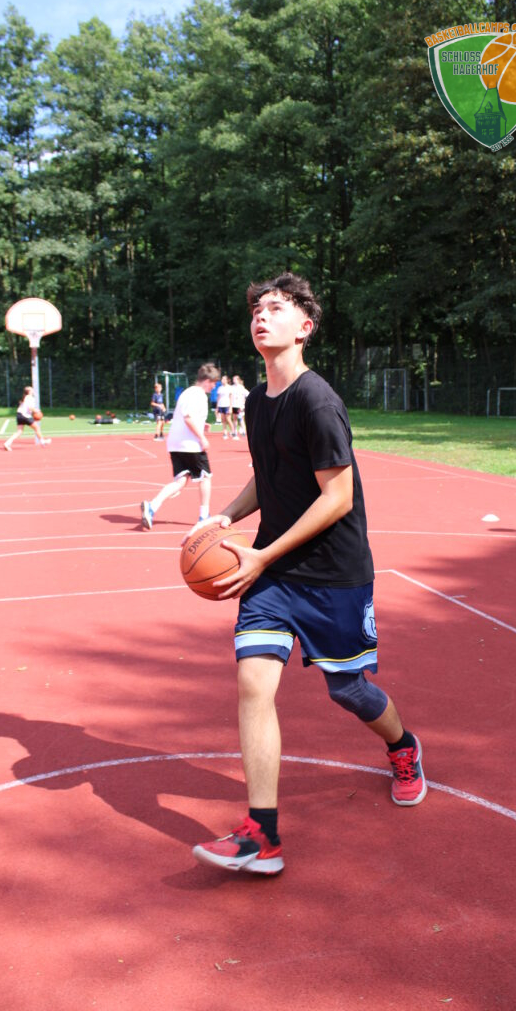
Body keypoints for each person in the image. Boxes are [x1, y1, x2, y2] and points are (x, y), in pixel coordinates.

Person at [190, 273, 426, 875]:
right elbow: (268, 473)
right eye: (256, 309)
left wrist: (263, 554)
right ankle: (262, 835)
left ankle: (403, 747)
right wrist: (226, 515)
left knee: (349, 690)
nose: (261, 315)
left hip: (332, 575)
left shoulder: (316, 400)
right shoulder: (258, 401)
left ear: (305, 327)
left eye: (276, 308)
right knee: (253, 684)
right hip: (272, 574)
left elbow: (338, 498)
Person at [140, 363, 220, 530]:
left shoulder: (187, 392)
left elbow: (186, 416)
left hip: (175, 444)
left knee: (181, 481)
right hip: (190, 444)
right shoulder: (198, 395)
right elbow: (188, 418)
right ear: (207, 381)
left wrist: (202, 425)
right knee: (205, 478)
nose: (214, 386)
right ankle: (204, 515)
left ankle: (152, 506)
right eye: (213, 383)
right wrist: (202, 438)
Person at [215, 374, 233, 439]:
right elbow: (218, 398)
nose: (222, 380)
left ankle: (233, 431)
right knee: (223, 420)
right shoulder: (220, 388)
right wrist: (217, 407)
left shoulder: (230, 387)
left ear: (227, 380)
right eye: (222, 379)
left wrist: (230, 407)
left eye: (224, 379)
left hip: (227, 405)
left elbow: (231, 398)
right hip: (221, 405)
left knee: (228, 419)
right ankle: (225, 433)